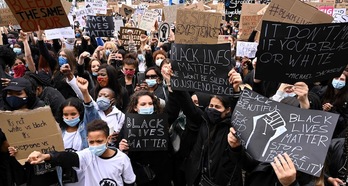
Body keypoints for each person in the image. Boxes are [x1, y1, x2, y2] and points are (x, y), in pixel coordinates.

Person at [167, 67, 244, 186]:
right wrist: (176, 82)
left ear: (228, 110)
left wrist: (236, 91)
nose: (212, 109)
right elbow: (188, 106)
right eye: (211, 105)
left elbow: (238, 112)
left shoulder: (232, 126)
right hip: (199, 180)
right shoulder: (203, 120)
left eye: (217, 107)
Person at [26, 119, 136, 186]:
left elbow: (129, 181)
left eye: (99, 141)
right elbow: (67, 157)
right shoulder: (87, 155)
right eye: (91, 142)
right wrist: (46, 156)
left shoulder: (122, 159)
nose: (95, 145)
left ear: (108, 139)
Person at [119, 90, 173, 186]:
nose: (147, 107)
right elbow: (125, 155)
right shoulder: (128, 125)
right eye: (143, 104)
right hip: (141, 176)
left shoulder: (160, 123)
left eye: (150, 103)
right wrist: (123, 149)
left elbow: (169, 150)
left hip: (162, 175)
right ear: (135, 107)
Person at [319, 73, 348, 138]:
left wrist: (332, 111)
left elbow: (344, 123)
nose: (338, 81)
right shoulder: (323, 91)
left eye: (342, 79)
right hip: (320, 127)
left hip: (336, 133)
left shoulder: (346, 98)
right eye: (336, 78)